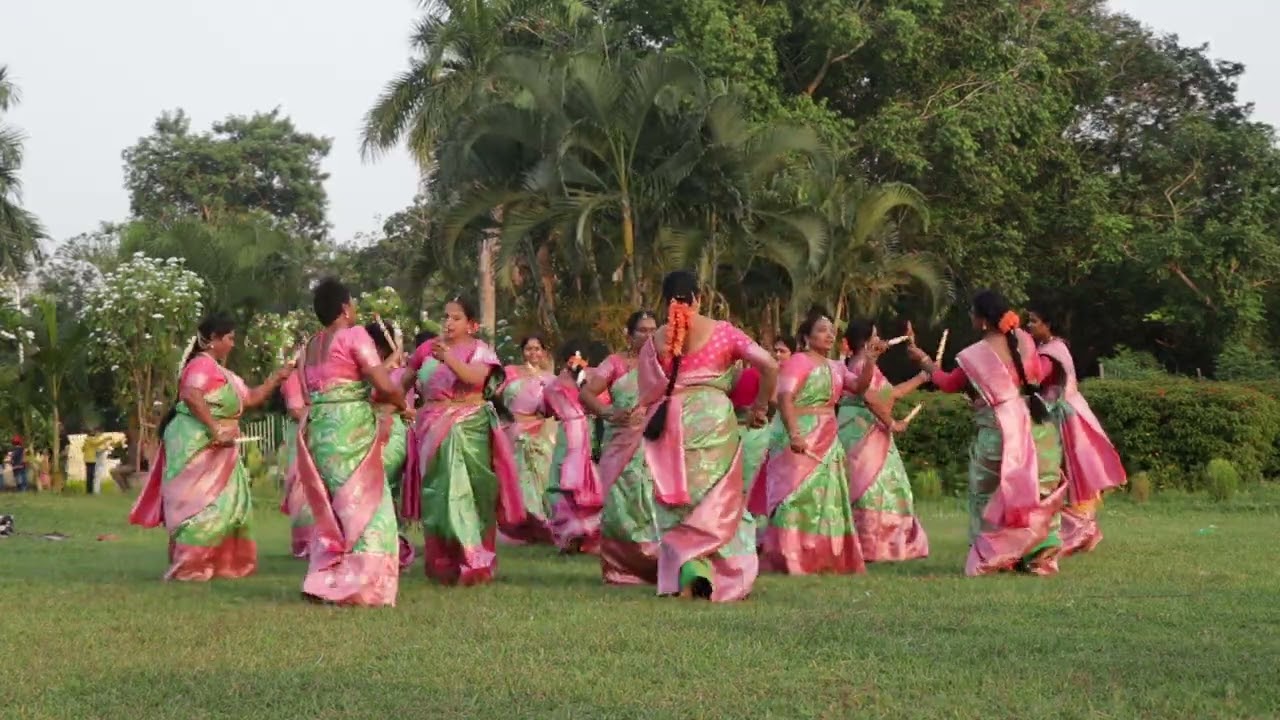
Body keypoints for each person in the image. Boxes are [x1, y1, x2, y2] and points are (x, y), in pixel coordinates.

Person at [639, 270, 778, 601]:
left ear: (664, 300)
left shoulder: (655, 341)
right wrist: (759, 409)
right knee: (718, 496)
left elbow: (646, 394)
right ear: (699, 298)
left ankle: (688, 574)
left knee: (677, 500)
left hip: (669, 425)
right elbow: (770, 366)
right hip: (712, 419)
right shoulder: (723, 332)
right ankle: (723, 576)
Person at [907, 290, 1066, 576]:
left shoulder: (974, 355)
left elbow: (948, 383)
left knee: (988, 494)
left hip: (997, 433)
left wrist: (925, 362)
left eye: (972, 313)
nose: (970, 317)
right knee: (1036, 491)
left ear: (981, 321)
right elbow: (1039, 374)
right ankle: (1037, 556)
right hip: (1035, 428)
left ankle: (994, 557)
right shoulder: (1025, 341)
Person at [129, 314, 292, 581]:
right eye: (229, 339)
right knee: (199, 504)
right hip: (197, 444)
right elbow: (192, 396)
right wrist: (215, 429)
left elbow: (250, 398)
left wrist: (276, 378)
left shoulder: (221, 372)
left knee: (228, 505)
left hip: (221, 450)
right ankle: (191, 564)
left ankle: (221, 563)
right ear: (213, 340)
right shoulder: (200, 366)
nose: (232, 344)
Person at [291, 279, 410, 605]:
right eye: (352, 304)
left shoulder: (312, 345)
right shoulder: (354, 335)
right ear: (345, 308)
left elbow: (310, 390)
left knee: (332, 507)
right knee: (370, 504)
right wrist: (402, 405)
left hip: (318, 428)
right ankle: (364, 585)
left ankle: (325, 578)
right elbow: (383, 383)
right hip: (350, 428)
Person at [400, 295, 525, 586]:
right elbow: (401, 384)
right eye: (445, 317)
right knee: (440, 495)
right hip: (431, 429)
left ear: (472, 325)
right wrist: (398, 404)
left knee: (473, 495)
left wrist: (449, 359)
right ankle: (443, 563)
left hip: (471, 427)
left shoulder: (481, 351)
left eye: (456, 318)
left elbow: (475, 380)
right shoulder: (425, 351)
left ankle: (475, 561)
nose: (448, 323)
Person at [749, 308, 879, 575]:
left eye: (832, 331)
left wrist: (871, 361)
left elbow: (859, 388)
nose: (829, 335)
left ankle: (822, 555)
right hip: (798, 433)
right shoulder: (799, 361)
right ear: (806, 337)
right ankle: (788, 555)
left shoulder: (835, 366)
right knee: (793, 496)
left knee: (826, 496)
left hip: (828, 435)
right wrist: (795, 434)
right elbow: (785, 398)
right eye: (822, 330)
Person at [1027, 306, 1127, 555]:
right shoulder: (1048, 348)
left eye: (1033, 321)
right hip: (1060, 415)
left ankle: (1081, 530)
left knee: (1072, 471)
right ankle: (1079, 530)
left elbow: (1038, 376)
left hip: (1067, 417)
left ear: (1048, 324)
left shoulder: (1052, 352)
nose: (1029, 326)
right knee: (1067, 472)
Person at [838, 320, 931, 562]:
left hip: (858, 427)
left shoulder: (860, 364)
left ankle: (869, 542)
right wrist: (893, 423)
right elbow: (873, 399)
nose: (880, 340)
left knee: (866, 483)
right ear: (866, 341)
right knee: (873, 485)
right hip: (864, 430)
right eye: (876, 335)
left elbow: (891, 394)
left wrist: (923, 376)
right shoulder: (861, 365)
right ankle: (874, 545)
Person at [581, 310, 660, 584]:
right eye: (642, 330)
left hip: (655, 442)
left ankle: (658, 564)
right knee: (620, 504)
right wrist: (608, 413)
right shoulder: (615, 363)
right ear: (629, 335)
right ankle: (621, 568)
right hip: (620, 443)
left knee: (653, 500)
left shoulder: (666, 363)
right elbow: (587, 393)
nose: (649, 336)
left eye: (653, 330)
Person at [364, 318, 417, 568]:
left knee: (385, 484)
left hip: (394, 431)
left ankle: (396, 546)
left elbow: (403, 398)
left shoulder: (402, 371)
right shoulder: (371, 369)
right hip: (370, 431)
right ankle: (382, 547)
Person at [496, 335, 558, 545]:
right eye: (529, 349)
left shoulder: (550, 379)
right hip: (514, 431)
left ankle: (542, 523)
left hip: (540, 432)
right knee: (517, 478)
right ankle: (520, 524)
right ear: (522, 351)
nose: (533, 353)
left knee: (541, 478)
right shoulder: (510, 373)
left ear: (544, 352)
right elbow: (495, 396)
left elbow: (554, 408)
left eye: (537, 349)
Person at [543, 344, 603, 554]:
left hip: (579, 436)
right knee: (573, 485)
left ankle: (575, 536)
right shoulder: (559, 385)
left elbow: (547, 410)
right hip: (578, 435)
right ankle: (575, 535)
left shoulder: (555, 385)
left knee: (572, 485)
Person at [280, 373, 311, 558]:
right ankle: (303, 542)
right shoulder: (295, 377)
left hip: (318, 433)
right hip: (301, 434)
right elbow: (295, 410)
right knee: (301, 486)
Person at [82, 429, 102, 494]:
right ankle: (90, 491)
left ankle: (89, 490)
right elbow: (97, 443)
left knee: (89, 475)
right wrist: (106, 439)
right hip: (91, 460)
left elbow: (82, 449)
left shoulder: (86, 440)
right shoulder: (91, 440)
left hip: (87, 459)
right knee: (91, 476)